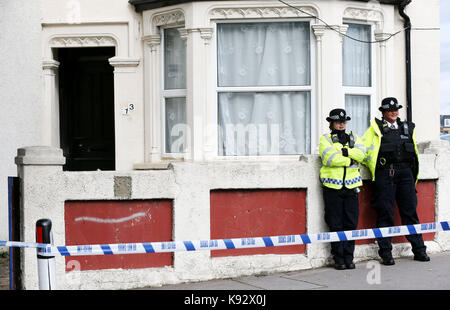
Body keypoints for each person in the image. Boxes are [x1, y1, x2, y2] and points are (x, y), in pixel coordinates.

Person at [361, 97, 430, 265]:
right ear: (383, 112)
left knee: (410, 212)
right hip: (386, 173)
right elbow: (362, 149)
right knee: (385, 212)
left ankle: (419, 250)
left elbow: (413, 152)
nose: (394, 112)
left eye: (396, 109)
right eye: (390, 110)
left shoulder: (407, 128)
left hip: (406, 174)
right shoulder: (375, 129)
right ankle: (386, 253)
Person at [319, 108, 365, 270]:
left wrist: (345, 152)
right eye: (338, 121)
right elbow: (329, 158)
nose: (341, 124)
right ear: (331, 123)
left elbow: (362, 154)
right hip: (333, 187)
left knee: (351, 223)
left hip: (351, 187)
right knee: (335, 223)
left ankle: (349, 257)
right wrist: (350, 161)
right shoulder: (326, 139)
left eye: (343, 121)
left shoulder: (354, 137)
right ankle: (339, 258)